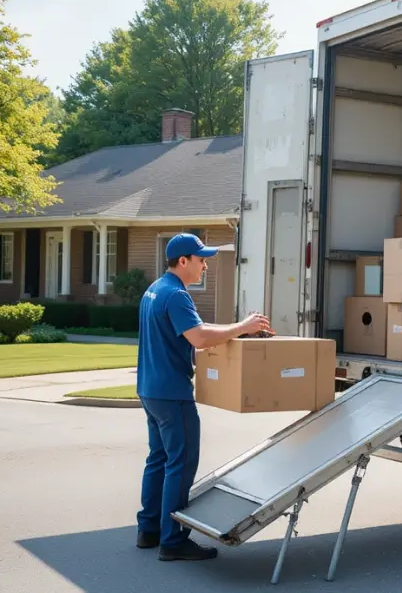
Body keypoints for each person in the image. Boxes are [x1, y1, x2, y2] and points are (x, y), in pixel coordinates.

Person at [134, 232, 270, 561]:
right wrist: (242, 327)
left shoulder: (154, 290)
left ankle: (149, 530)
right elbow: (198, 337)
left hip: (150, 390)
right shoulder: (177, 295)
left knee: (159, 459)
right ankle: (173, 540)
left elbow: (194, 328)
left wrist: (231, 328)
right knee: (180, 464)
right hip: (172, 393)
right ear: (183, 261)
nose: (205, 266)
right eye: (201, 259)